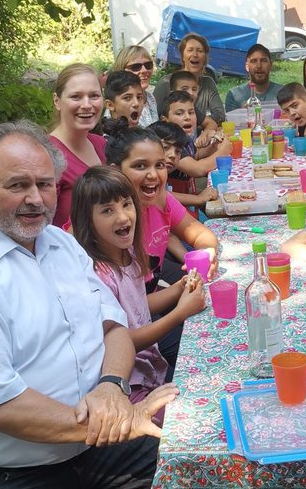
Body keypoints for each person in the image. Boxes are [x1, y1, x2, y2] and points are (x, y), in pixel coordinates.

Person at [0, 121, 178, 488]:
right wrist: (115, 422)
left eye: (45, 184)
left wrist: (112, 387)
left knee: (192, 459)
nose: (35, 198)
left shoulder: (61, 244)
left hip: (87, 446)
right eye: (18, 185)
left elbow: (114, 327)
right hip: (3, 474)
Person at [71, 166, 207, 412]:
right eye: (107, 210)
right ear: (87, 221)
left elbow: (137, 307)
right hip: (128, 388)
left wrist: (178, 289)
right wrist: (180, 313)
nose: (123, 217)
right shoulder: (98, 275)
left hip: (152, 369)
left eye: (126, 204)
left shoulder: (129, 254)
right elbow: (125, 339)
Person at [104, 118, 219, 367]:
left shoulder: (160, 200)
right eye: (140, 166)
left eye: (159, 165)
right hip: (122, 344)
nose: (153, 175)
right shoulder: (108, 227)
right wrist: (178, 307)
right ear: (115, 171)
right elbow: (125, 317)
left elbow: (201, 234)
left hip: (147, 313)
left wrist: (207, 253)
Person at [48, 63, 107, 229]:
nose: (87, 105)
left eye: (94, 96)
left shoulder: (101, 144)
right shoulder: (46, 155)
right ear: (57, 101)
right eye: (76, 97)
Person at [153, 33, 225, 131]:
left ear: (205, 58)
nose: (195, 55)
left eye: (200, 51)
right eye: (190, 50)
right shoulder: (166, 82)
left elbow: (220, 116)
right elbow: (153, 118)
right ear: (183, 56)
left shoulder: (208, 83)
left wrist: (194, 127)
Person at [159, 91, 232, 180]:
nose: (187, 117)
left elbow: (195, 155)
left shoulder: (184, 137)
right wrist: (223, 152)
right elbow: (197, 169)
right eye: (179, 113)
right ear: (164, 119)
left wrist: (214, 146)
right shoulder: (169, 143)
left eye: (191, 112)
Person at [148, 121, 218, 213]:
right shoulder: (150, 179)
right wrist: (198, 199)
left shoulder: (163, 175)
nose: (173, 155)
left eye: (178, 151)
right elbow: (161, 195)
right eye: (165, 147)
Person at [224, 44, 283, 111]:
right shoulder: (235, 95)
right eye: (254, 61)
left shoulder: (283, 92)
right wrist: (243, 113)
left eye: (263, 60)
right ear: (247, 66)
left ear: (271, 65)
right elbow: (232, 117)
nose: (259, 66)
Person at [112, 46, 158, 127]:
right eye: (136, 67)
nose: (144, 70)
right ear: (121, 70)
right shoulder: (117, 101)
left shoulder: (150, 97)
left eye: (148, 65)